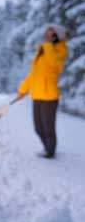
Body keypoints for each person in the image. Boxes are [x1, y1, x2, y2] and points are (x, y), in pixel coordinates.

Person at [17, 25, 68, 159]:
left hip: (50, 96)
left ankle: (50, 152)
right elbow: (33, 75)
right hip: (37, 95)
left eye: (51, 34)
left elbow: (55, 66)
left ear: (58, 36)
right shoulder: (42, 53)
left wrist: (47, 46)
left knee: (48, 129)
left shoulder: (60, 50)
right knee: (38, 128)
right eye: (47, 33)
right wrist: (23, 90)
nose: (47, 36)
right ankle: (47, 148)